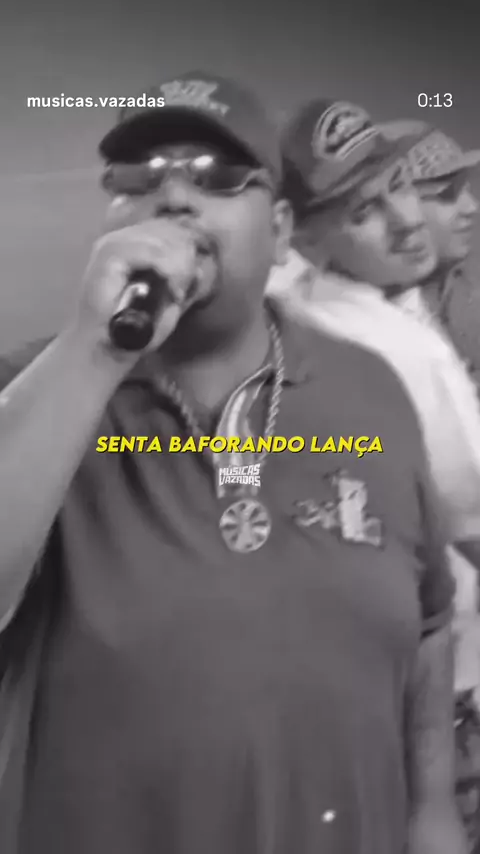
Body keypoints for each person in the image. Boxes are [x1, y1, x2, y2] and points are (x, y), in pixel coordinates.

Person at [0, 74, 464, 854]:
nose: (174, 197)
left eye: (217, 176)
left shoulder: (370, 390)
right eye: (139, 178)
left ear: (280, 231)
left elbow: (427, 625)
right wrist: (98, 349)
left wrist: (433, 811)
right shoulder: (38, 393)